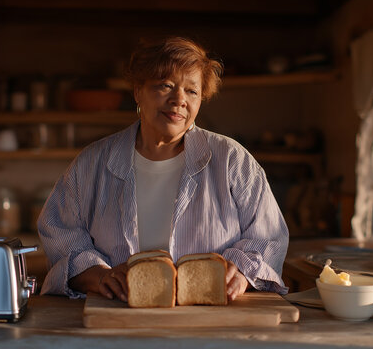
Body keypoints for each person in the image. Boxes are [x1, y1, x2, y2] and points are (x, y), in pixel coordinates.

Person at [38, 36, 289, 302]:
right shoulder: (92, 163)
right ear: (138, 92)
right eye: (165, 86)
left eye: (192, 91)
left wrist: (240, 272)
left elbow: (268, 237)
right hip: (118, 319)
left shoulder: (232, 160)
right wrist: (99, 275)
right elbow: (61, 234)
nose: (179, 99)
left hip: (212, 322)